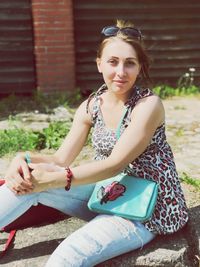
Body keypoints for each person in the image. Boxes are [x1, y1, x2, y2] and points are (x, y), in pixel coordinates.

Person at [0, 20, 188, 266]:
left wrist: (56, 179)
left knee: (67, 257)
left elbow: (114, 164)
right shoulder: (91, 106)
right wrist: (22, 160)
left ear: (140, 67)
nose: (120, 72)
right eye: (112, 62)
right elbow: (59, 159)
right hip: (107, 191)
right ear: (99, 64)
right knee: (25, 180)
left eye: (129, 63)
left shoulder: (148, 105)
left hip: (145, 207)